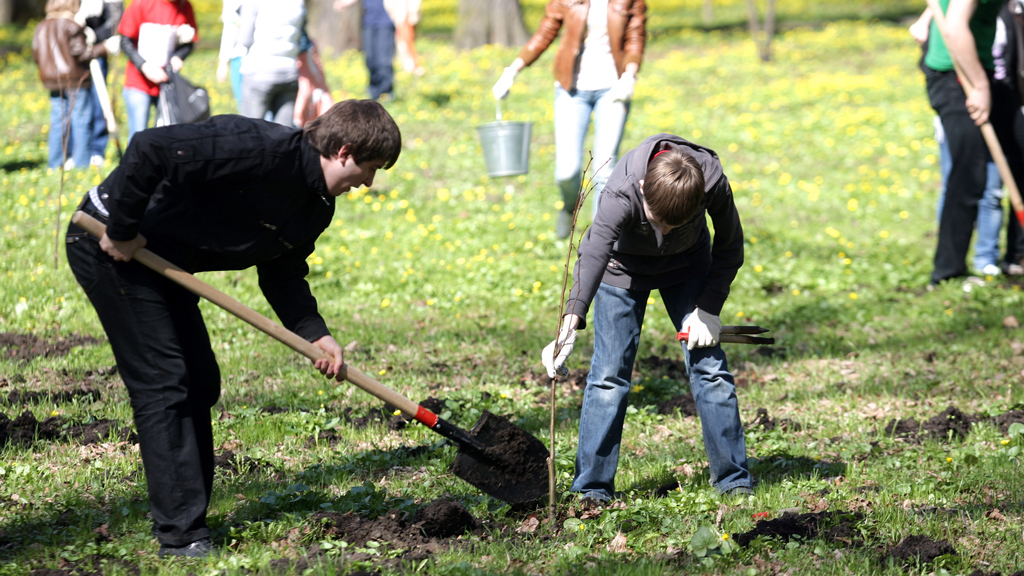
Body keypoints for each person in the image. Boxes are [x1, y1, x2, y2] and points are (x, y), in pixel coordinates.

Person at [64, 99, 402, 557]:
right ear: (343, 151)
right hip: (109, 243)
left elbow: (282, 272)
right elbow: (150, 148)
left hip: (165, 261)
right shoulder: (257, 149)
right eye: (370, 167)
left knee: (199, 380)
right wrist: (122, 227)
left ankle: (189, 519)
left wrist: (314, 333)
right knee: (165, 382)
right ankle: (181, 537)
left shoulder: (315, 206)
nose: (368, 182)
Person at [541, 133, 752, 503]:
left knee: (710, 369)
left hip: (688, 267)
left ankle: (734, 481)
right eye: (657, 222)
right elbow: (593, 251)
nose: (663, 233)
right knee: (607, 377)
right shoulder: (621, 190)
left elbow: (731, 243)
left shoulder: (712, 182)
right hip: (622, 270)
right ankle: (591, 488)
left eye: (674, 225)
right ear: (641, 189)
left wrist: (709, 309)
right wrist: (570, 320)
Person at [493, 0, 646, 239]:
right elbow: (546, 31)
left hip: (613, 89)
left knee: (604, 171)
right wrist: (512, 70)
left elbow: (635, 37)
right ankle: (569, 206)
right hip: (571, 90)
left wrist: (629, 75)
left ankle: (598, 241)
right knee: (566, 171)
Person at [922, 0, 1024, 284]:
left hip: (985, 70)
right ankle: (947, 272)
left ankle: (1018, 256)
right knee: (970, 172)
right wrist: (979, 87)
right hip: (953, 74)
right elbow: (954, 27)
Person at [32, 0, 119, 170]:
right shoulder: (72, 26)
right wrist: (105, 47)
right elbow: (82, 53)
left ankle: (55, 163)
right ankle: (81, 163)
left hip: (53, 81)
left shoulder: (41, 26)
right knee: (82, 120)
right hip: (75, 80)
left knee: (58, 120)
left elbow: (36, 55)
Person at [117, 0, 198, 142]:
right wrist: (144, 66)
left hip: (167, 84)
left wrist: (179, 55)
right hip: (139, 83)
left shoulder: (184, 6)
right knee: (139, 137)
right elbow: (125, 40)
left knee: (170, 136)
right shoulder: (141, 4)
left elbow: (190, 43)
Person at [237, 0, 306, 126]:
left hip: (259, 71)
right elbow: (302, 37)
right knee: (284, 135)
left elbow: (245, 40)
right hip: (289, 72)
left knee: (249, 131)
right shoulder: (298, 2)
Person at [74, 0, 123, 167]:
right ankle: (76, 150)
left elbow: (115, 23)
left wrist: (97, 37)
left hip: (98, 53)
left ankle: (96, 150)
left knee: (98, 102)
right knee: (77, 103)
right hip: (74, 54)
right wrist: (78, 30)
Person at [335, 0, 395, 101]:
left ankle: (386, 93)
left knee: (383, 61)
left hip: (386, 22)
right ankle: (374, 94)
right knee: (370, 59)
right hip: (368, 22)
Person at [216, 0, 247, 111]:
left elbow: (230, 28)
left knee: (249, 111)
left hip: (244, 57)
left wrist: (223, 62)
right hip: (240, 56)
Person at [388, 0, 423, 75]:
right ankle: (409, 62)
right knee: (401, 32)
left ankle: (413, 63)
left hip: (405, 8)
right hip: (397, 8)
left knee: (406, 31)